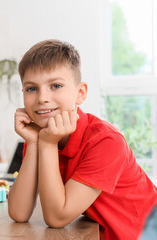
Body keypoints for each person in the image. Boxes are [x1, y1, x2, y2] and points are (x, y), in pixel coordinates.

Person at [8, 39, 157, 240]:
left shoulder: (105, 141)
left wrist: (48, 143)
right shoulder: (42, 137)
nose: (42, 97)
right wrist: (34, 143)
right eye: (31, 89)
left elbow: (57, 217)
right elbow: (19, 212)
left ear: (80, 93)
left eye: (56, 85)